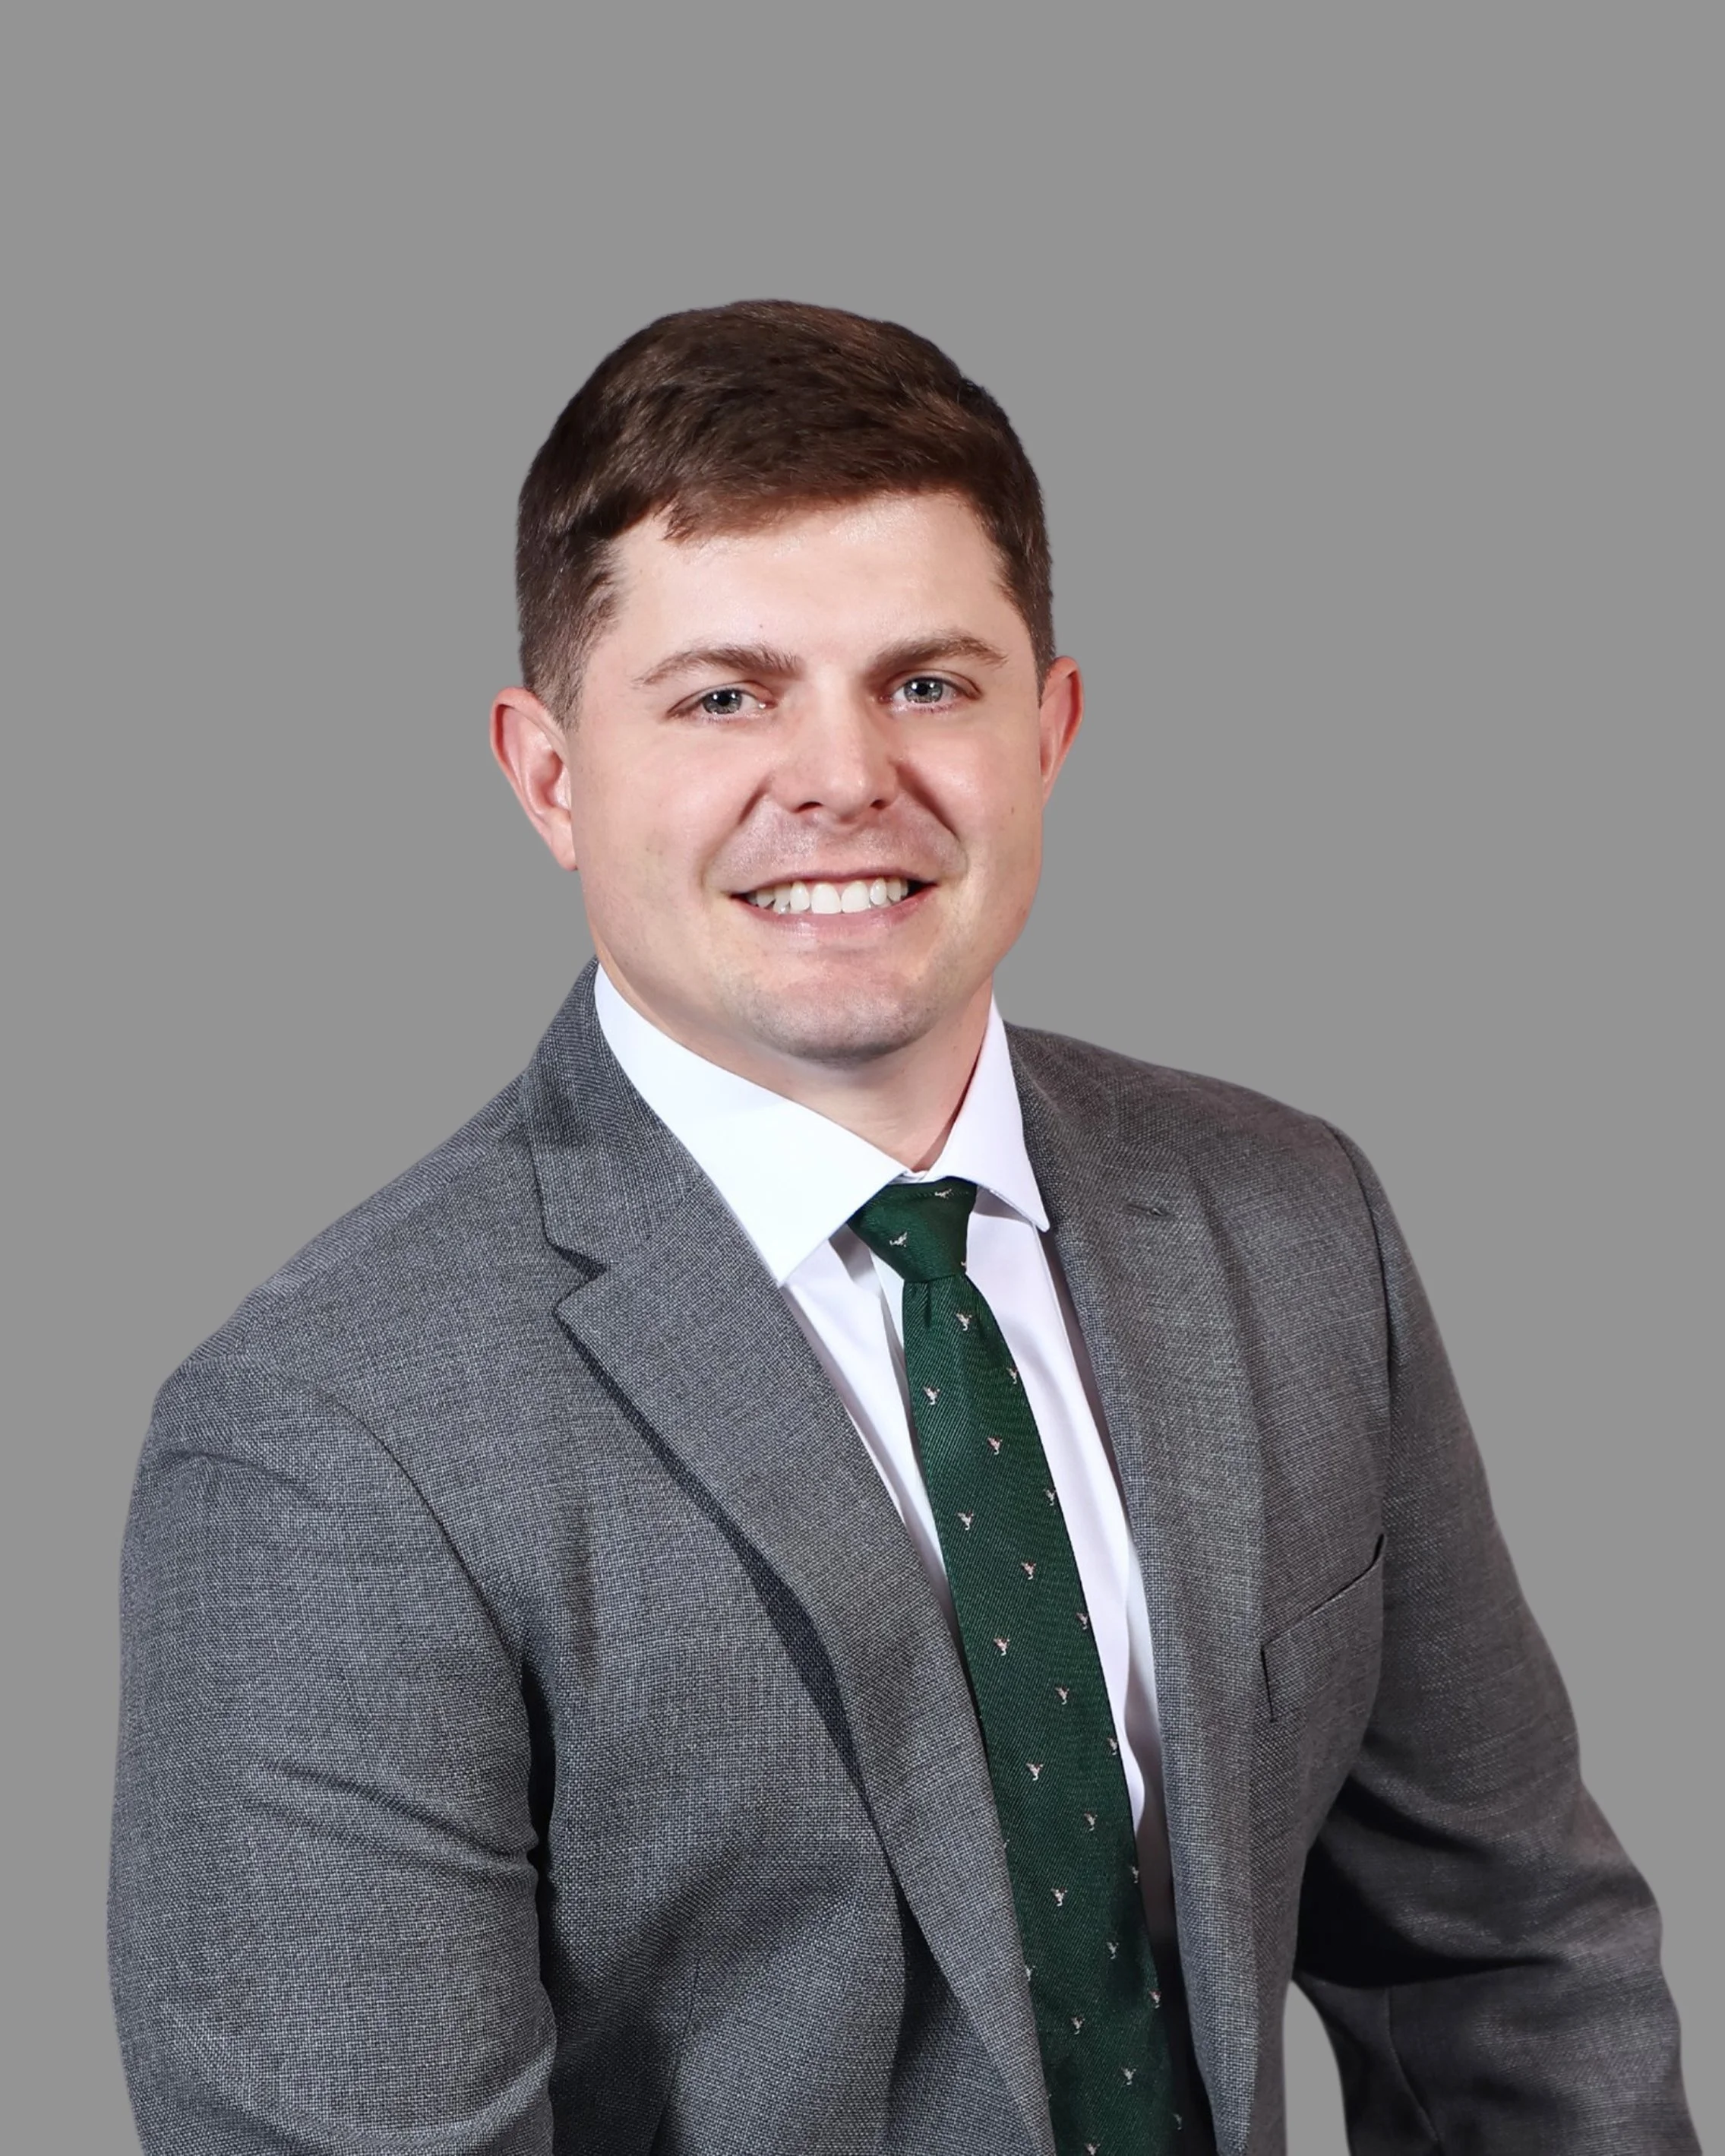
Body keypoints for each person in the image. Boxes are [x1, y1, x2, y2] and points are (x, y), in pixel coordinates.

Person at [109, 300, 1696, 2156]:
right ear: (546, 775)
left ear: (1052, 724)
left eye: (929, 684)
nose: (846, 776)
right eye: (725, 696)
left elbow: (1506, 1962)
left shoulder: (1290, 1225)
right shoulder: (326, 1444)